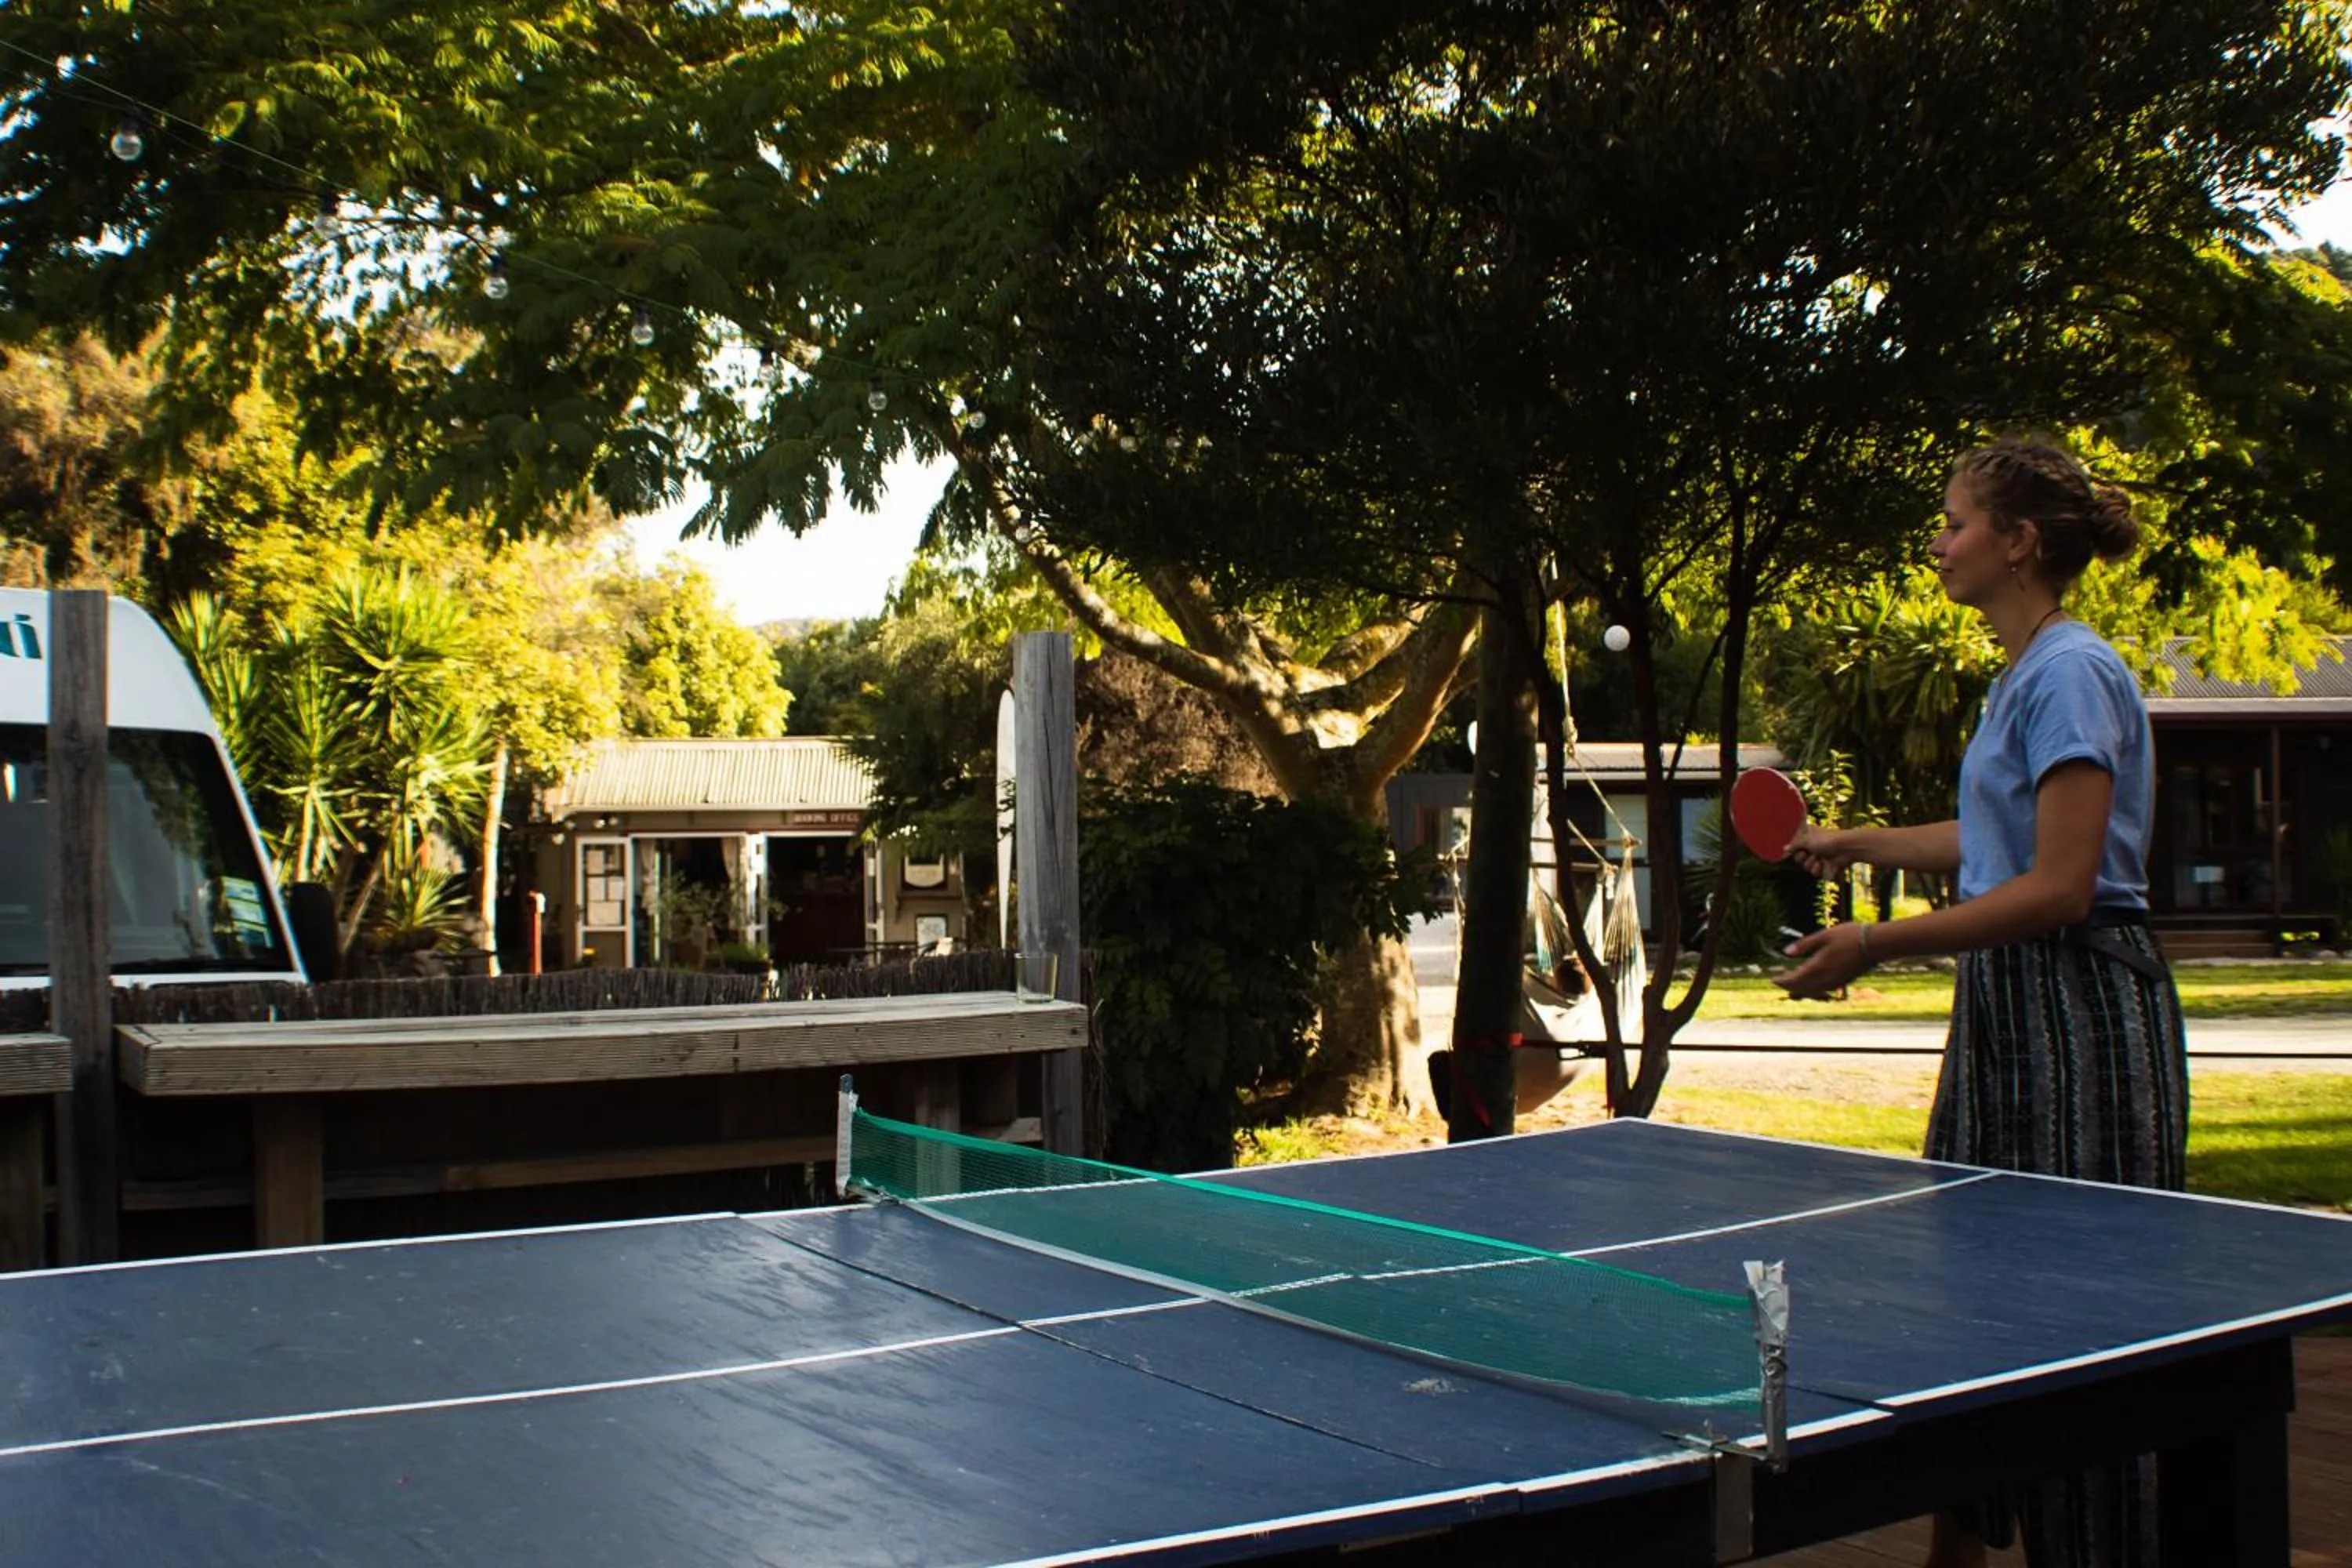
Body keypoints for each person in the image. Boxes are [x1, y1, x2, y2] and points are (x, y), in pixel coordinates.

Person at [1774, 438, 2187, 1568]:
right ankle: (1960, 1548)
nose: (1939, 542)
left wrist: (1874, 943)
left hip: (2080, 1016)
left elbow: (2058, 885)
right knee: (1984, 1292)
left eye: (1956, 522)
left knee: (2082, 1315)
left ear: (2019, 544)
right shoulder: (2026, 675)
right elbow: (1996, 841)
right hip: (2014, 1013)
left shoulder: (2070, 672)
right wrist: (1855, 842)